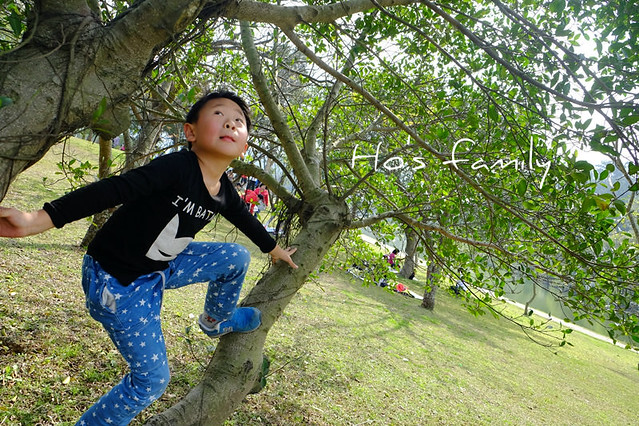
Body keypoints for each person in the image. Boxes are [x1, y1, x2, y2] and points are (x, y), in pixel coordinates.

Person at [0, 90, 298, 425]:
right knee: (152, 381)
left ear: (243, 146)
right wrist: (37, 219)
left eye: (239, 121)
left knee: (235, 257)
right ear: (191, 132)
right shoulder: (176, 167)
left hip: (161, 266)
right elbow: (114, 189)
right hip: (119, 284)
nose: (230, 121)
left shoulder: (224, 190)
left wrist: (274, 249)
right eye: (218, 114)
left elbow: (245, 219)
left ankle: (216, 322)